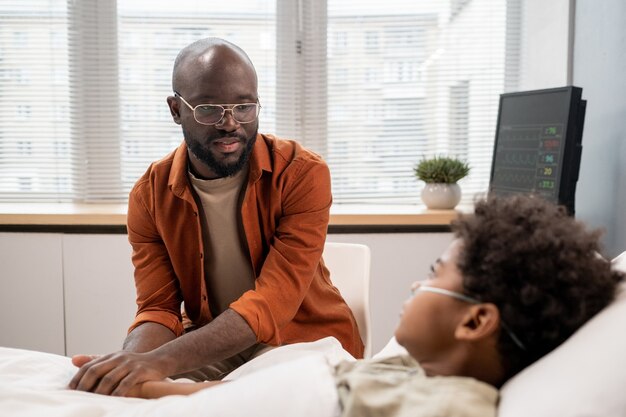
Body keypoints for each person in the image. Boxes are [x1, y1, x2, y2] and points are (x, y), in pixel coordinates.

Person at [75, 195, 622, 417]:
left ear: (476, 320)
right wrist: (155, 387)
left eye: (434, 274)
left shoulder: (449, 406)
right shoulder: (408, 372)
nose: (415, 284)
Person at [69, 37, 363, 396]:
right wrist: (127, 363)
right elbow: (159, 309)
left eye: (244, 107)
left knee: (262, 397)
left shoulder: (302, 173)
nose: (230, 124)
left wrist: (158, 363)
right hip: (217, 345)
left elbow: (272, 303)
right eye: (208, 109)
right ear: (176, 109)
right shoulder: (149, 195)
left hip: (302, 341)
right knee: (129, 392)